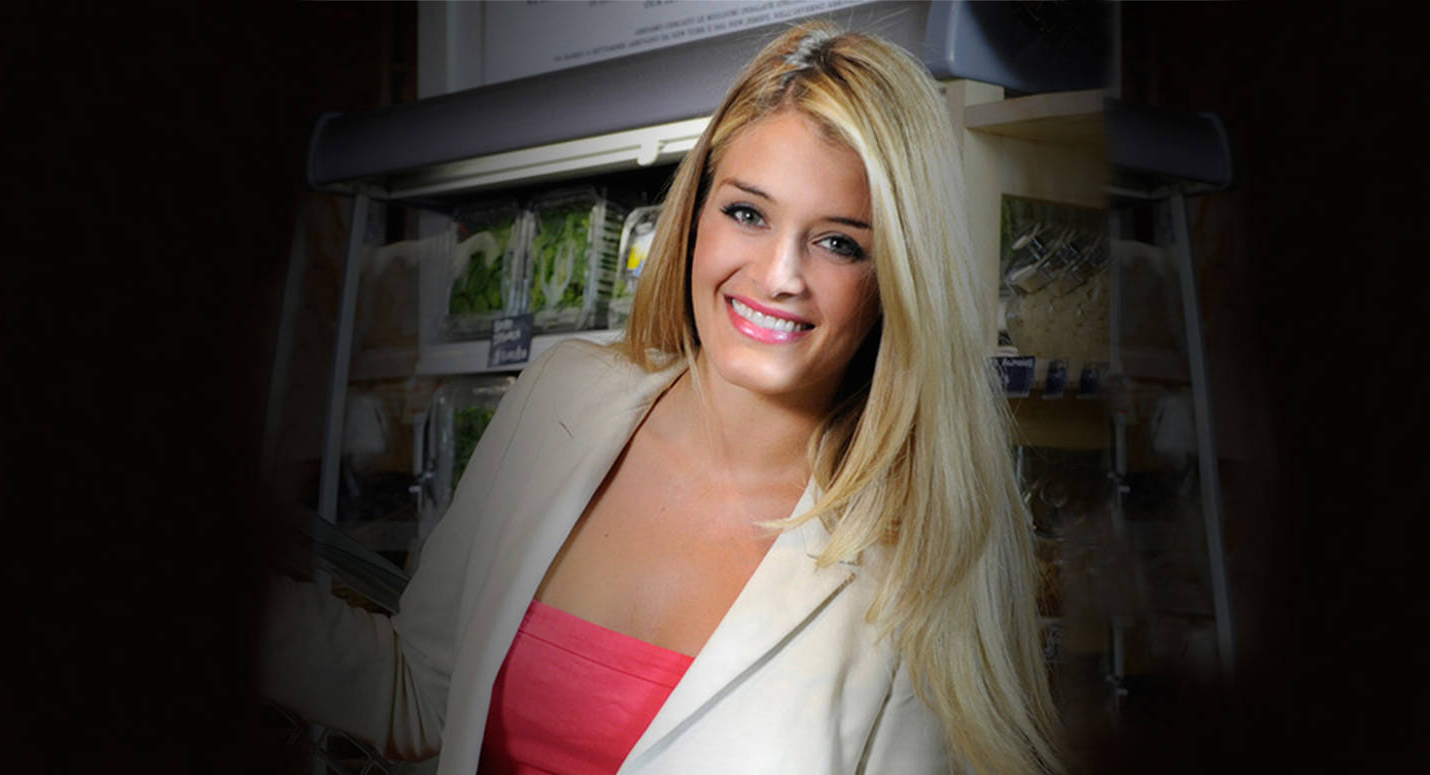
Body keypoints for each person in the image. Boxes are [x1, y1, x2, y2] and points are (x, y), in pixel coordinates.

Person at [259, 20, 1063, 775]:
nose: (779, 275)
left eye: (838, 242)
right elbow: (421, 687)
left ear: (897, 280)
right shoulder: (560, 396)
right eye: (747, 212)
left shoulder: (931, 549)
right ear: (697, 215)